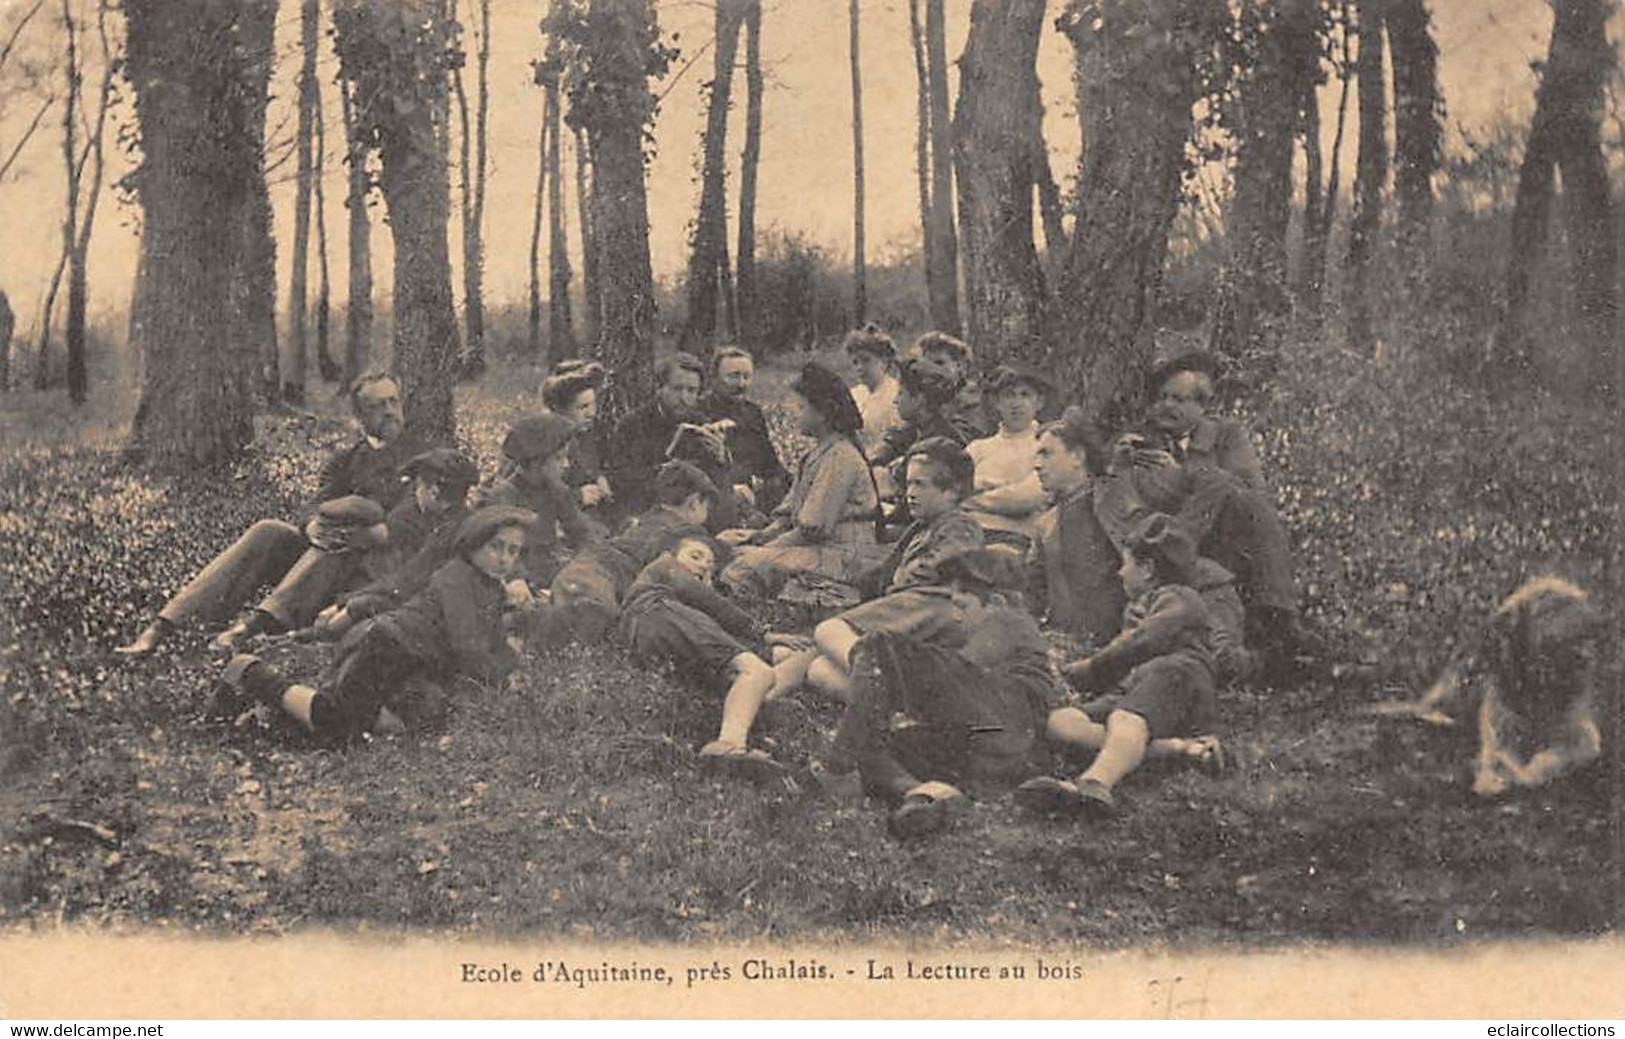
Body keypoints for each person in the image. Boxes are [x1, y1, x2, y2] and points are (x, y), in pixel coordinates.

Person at [116, 374, 425, 658]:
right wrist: (312, 526)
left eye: (393, 401)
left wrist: (364, 534)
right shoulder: (346, 460)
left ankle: (252, 626)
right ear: (359, 417)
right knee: (269, 531)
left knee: (340, 538)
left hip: (376, 570)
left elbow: (409, 521)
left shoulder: (422, 456)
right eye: (377, 405)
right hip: (323, 563)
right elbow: (313, 507)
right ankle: (165, 627)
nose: (389, 411)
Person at [211, 506, 540, 743]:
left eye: (513, 551)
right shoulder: (455, 577)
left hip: (411, 663)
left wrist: (513, 667)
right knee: (340, 725)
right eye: (496, 547)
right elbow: (467, 644)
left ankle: (263, 716)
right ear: (473, 545)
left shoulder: (491, 589)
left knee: (391, 729)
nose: (505, 558)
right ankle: (251, 673)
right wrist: (501, 678)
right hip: (386, 647)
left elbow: (493, 639)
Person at [815, 545, 1056, 840]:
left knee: (878, 645)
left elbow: (961, 673)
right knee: (876, 744)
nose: (955, 617)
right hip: (1002, 745)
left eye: (962, 606)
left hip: (1009, 712)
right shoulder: (1011, 628)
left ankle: (838, 767)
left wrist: (895, 676)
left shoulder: (1007, 620)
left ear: (995, 601)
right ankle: (924, 795)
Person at [1108, 351, 1313, 676]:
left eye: (1178, 399)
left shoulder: (1227, 435)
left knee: (1246, 500)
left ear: (1202, 408)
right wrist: (1121, 467)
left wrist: (1181, 475)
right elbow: (1135, 507)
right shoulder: (1146, 442)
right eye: (1161, 398)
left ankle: (1280, 618)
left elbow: (1247, 490)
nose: (1166, 407)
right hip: (1176, 552)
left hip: (1228, 544)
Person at [1015, 514, 1231, 820]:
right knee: (1061, 722)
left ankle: (1096, 782)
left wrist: (1090, 669)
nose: (1119, 572)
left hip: (1176, 677)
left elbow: (1144, 640)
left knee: (1125, 718)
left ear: (1148, 569)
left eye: (1126, 563)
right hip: (1137, 690)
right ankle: (1180, 750)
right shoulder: (1139, 604)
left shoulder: (1181, 597)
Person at [804, 437, 985, 702]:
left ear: (953, 491)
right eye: (909, 483)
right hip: (910, 608)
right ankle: (767, 685)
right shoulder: (921, 527)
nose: (909, 492)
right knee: (818, 668)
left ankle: (886, 683)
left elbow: (943, 564)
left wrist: (900, 578)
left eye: (920, 485)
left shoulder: (961, 524)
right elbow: (881, 573)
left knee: (829, 631)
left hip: (932, 607)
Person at [619, 532, 814, 774]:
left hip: (647, 632)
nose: (703, 565)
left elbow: (714, 628)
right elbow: (709, 602)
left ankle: (751, 706)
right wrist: (764, 633)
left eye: (710, 566)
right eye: (695, 556)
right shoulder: (665, 568)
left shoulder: (682, 610)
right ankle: (729, 744)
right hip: (658, 611)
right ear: (669, 555)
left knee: (787, 660)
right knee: (758, 672)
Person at [718, 363, 880, 599]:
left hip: (844, 556)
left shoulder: (840, 456)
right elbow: (788, 513)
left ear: (823, 414)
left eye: (801, 407)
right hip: (820, 548)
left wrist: (765, 549)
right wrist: (758, 536)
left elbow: (813, 528)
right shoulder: (816, 454)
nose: (795, 413)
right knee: (728, 550)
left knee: (745, 565)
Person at [310, 448, 481, 641]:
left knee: (347, 616)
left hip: (431, 613)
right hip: (425, 601)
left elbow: (408, 579)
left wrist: (344, 604)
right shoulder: (461, 519)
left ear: (433, 492)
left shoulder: (450, 530)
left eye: (419, 487)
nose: (416, 494)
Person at [546, 460, 718, 642]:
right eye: (706, 508)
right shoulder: (687, 533)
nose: (706, 516)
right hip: (603, 582)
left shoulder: (644, 520)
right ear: (693, 503)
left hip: (580, 570)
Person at [1026, 406, 1146, 647]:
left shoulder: (1113, 500)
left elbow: (1145, 568)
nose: (1036, 465)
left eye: (1046, 454)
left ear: (1077, 457)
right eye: (1036, 456)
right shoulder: (1045, 523)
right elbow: (1032, 593)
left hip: (1117, 643)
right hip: (1061, 642)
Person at [475, 413, 602, 583]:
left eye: (566, 457)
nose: (566, 465)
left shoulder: (557, 490)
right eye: (558, 458)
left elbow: (581, 532)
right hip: (515, 579)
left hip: (550, 571)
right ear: (536, 463)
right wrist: (521, 581)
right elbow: (502, 557)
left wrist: (588, 564)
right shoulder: (504, 497)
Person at [604, 352, 708, 522]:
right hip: (647, 510)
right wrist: (664, 470)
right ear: (659, 388)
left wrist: (720, 458)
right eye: (677, 389)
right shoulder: (633, 424)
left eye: (692, 391)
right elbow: (619, 478)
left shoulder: (700, 422)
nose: (684, 397)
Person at [963, 363, 1052, 550]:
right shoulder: (977, 449)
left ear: (1040, 402)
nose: (1016, 403)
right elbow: (951, 489)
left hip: (1017, 540)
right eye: (1009, 395)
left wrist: (971, 498)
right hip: (967, 535)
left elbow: (1025, 498)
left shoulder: (1045, 445)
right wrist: (1003, 489)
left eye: (1025, 395)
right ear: (997, 402)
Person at [701, 346, 789, 520]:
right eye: (733, 376)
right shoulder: (700, 411)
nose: (741, 384)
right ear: (714, 379)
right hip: (711, 499)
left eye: (746, 377)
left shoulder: (752, 413)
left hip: (749, 500)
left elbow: (769, 465)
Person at [869, 356, 975, 470]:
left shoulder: (945, 442)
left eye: (901, 393)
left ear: (919, 399)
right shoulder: (908, 433)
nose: (895, 400)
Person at [540, 360, 612, 514]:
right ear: (560, 410)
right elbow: (530, 495)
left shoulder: (587, 432)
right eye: (582, 407)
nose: (592, 413)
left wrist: (599, 477)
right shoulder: (545, 441)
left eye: (593, 405)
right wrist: (577, 496)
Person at [914, 331, 989, 439]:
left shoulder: (973, 399)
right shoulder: (926, 395)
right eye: (927, 364)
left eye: (939, 363)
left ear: (959, 365)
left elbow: (966, 436)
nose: (933, 370)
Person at [844, 324, 902, 455]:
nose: (859, 367)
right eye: (855, 362)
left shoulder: (896, 393)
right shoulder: (853, 394)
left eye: (866, 360)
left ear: (885, 361)